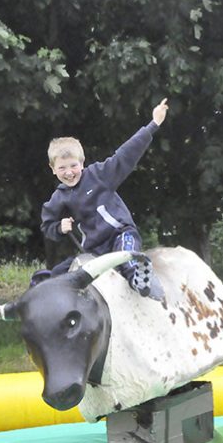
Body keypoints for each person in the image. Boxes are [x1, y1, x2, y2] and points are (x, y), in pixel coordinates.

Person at [38, 98, 168, 298]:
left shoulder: (99, 175)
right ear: (53, 169)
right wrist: (59, 228)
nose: (69, 172)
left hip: (120, 234)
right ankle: (37, 299)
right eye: (62, 168)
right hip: (94, 250)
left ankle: (143, 281)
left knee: (126, 258)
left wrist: (154, 124)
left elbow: (125, 154)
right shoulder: (59, 197)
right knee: (58, 274)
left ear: (82, 163)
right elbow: (47, 226)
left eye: (73, 166)